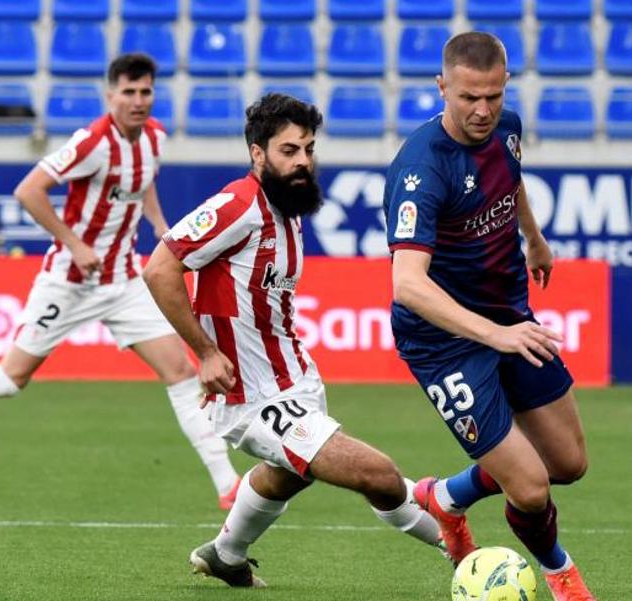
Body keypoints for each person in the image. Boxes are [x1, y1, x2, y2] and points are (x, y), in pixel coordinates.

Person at [0, 53, 242, 511]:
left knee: (182, 371)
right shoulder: (92, 142)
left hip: (124, 279)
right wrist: (74, 243)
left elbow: (143, 181)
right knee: (11, 377)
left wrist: (159, 223)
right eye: (128, 92)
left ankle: (227, 483)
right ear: (111, 97)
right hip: (69, 281)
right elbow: (28, 190)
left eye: (145, 91)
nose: (138, 100)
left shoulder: (154, 138)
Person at [143, 93, 461, 588]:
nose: (303, 162)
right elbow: (160, 268)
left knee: (292, 471)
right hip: (251, 397)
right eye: (289, 151)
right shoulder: (237, 205)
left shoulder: (288, 209)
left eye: (309, 149)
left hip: (294, 380)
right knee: (376, 474)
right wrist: (205, 353)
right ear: (257, 154)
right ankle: (464, 552)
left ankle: (226, 553)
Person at [383, 32, 597, 601]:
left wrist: (535, 238)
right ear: (442, 87)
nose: (483, 111)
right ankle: (562, 575)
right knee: (528, 489)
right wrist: (496, 336)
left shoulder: (508, 127)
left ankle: (446, 497)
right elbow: (407, 285)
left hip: (508, 313)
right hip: (444, 342)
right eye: (469, 98)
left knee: (569, 463)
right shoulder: (420, 170)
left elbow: (511, 178)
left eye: (494, 97)